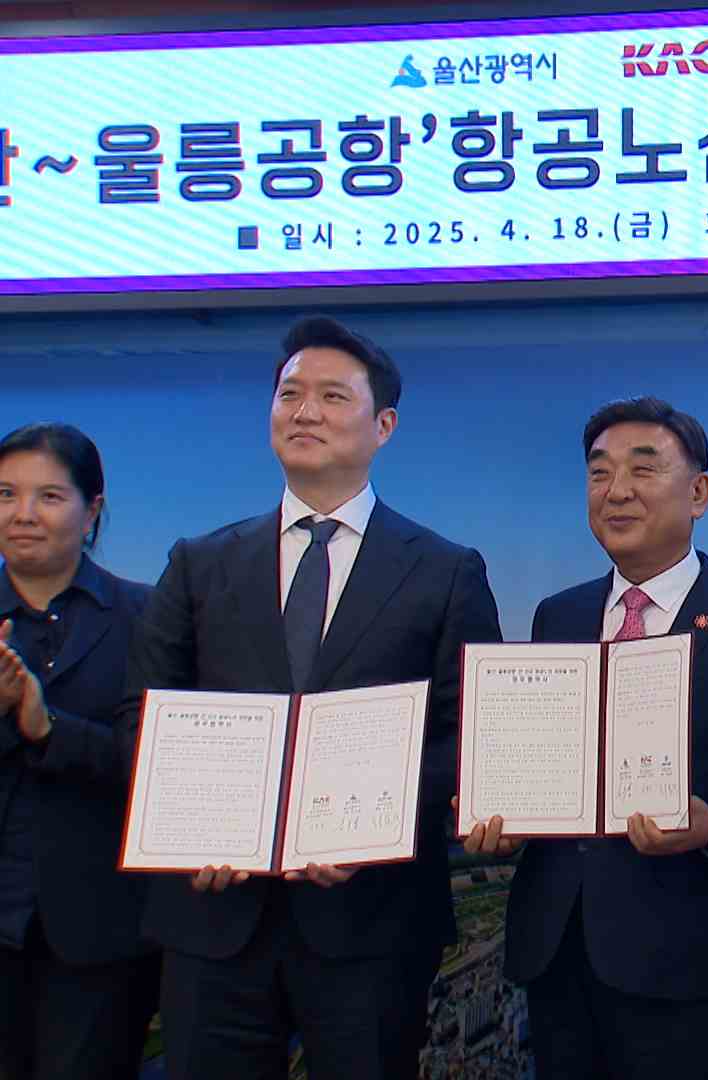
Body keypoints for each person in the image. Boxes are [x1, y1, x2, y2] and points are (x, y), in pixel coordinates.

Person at [122, 316, 502, 1078]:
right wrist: (193, 825)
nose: (305, 412)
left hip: (373, 925)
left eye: (332, 396)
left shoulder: (445, 571)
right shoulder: (199, 564)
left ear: (383, 425)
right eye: (289, 394)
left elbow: (473, 735)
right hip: (213, 921)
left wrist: (371, 821)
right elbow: (145, 715)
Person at [462, 397, 708, 1079]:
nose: (616, 490)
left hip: (685, 953)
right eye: (599, 473)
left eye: (642, 469)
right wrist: (500, 813)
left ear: (699, 493)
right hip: (556, 945)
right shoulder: (558, 614)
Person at [0, 423, 158, 1080]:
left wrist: (47, 727)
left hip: (101, 936)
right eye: (5, 494)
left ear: (92, 510)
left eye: (48, 496)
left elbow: (159, 767)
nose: (22, 514)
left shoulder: (145, 617)